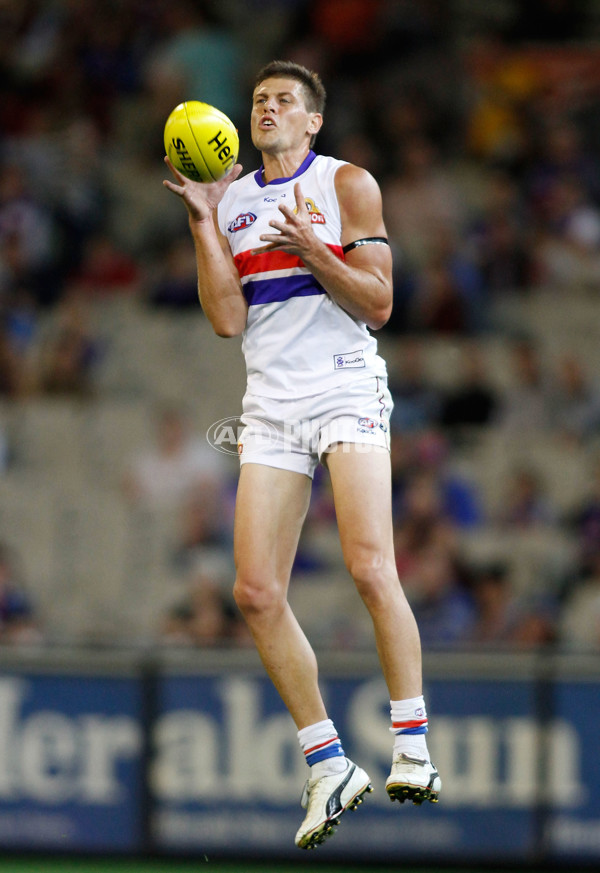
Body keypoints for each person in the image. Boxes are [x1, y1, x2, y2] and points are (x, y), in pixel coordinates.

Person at [164, 59, 441, 850]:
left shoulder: (349, 183)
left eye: (284, 100)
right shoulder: (235, 200)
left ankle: (412, 746)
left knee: (367, 564)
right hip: (272, 401)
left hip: (347, 385)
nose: (268, 108)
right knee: (253, 590)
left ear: (313, 121)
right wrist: (201, 220)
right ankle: (328, 761)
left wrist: (313, 250)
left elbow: (380, 303)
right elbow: (225, 320)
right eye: (258, 100)